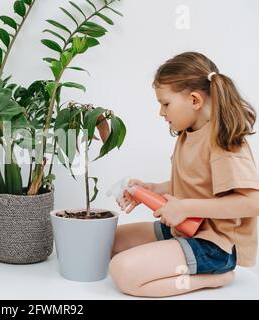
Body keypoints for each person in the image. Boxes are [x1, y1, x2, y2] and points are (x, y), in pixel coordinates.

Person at [108, 52, 259, 297]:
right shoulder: (189, 133)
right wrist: (153, 188)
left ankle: (214, 278)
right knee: (107, 241)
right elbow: (196, 184)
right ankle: (176, 254)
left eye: (165, 104)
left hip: (214, 246)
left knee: (123, 270)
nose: (161, 112)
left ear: (195, 100)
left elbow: (252, 202)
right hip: (186, 228)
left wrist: (186, 208)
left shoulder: (224, 142)